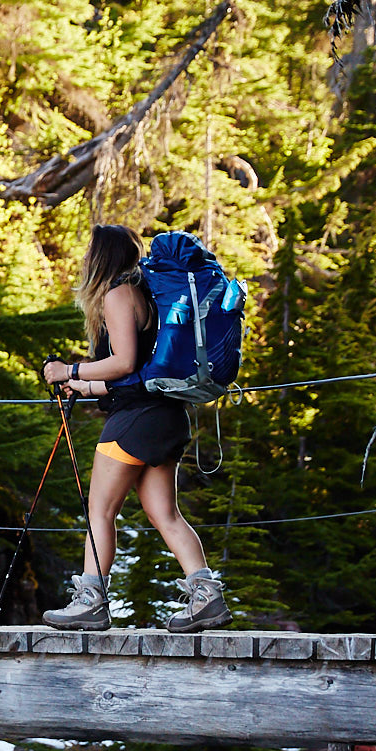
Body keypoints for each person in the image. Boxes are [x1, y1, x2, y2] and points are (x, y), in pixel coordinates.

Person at [36, 224, 229, 632]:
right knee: (164, 513)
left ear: (100, 257)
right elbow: (136, 372)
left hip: (134, 422)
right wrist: (83, 384)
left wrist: (67, 369)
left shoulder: (117, 294)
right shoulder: (145, 295)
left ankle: (91, 602)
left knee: (99, 511)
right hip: (165, 416)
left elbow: (123, 362)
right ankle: (206, 597)